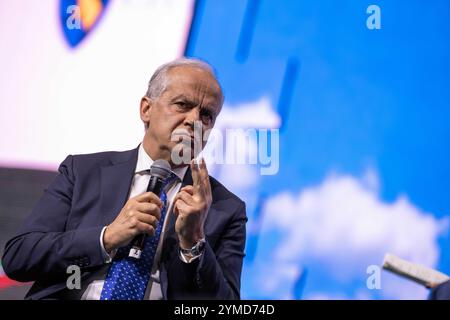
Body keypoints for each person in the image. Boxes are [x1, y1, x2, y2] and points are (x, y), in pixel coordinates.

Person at [1, 58, 247, 300]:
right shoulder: (84, 171)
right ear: (146, 109)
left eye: (207, 116)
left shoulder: (225, 208)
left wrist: (193, 241)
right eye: (182, 105)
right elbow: (19, 257)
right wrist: (105, 238)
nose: (194, 121)